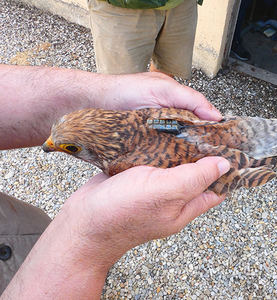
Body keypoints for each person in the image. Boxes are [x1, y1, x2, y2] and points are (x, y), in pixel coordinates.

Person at [0, 64, 230, 298]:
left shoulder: (122, 160)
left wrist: (107, 89)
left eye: (70, 148)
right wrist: (88, 238)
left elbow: (178, 131)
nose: (48, 146)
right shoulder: (139, 127)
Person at [88, 0, 198, 78]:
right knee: (119, 90)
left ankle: (154, 109)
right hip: (121, 6)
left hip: (181, 4)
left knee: (166, 74)